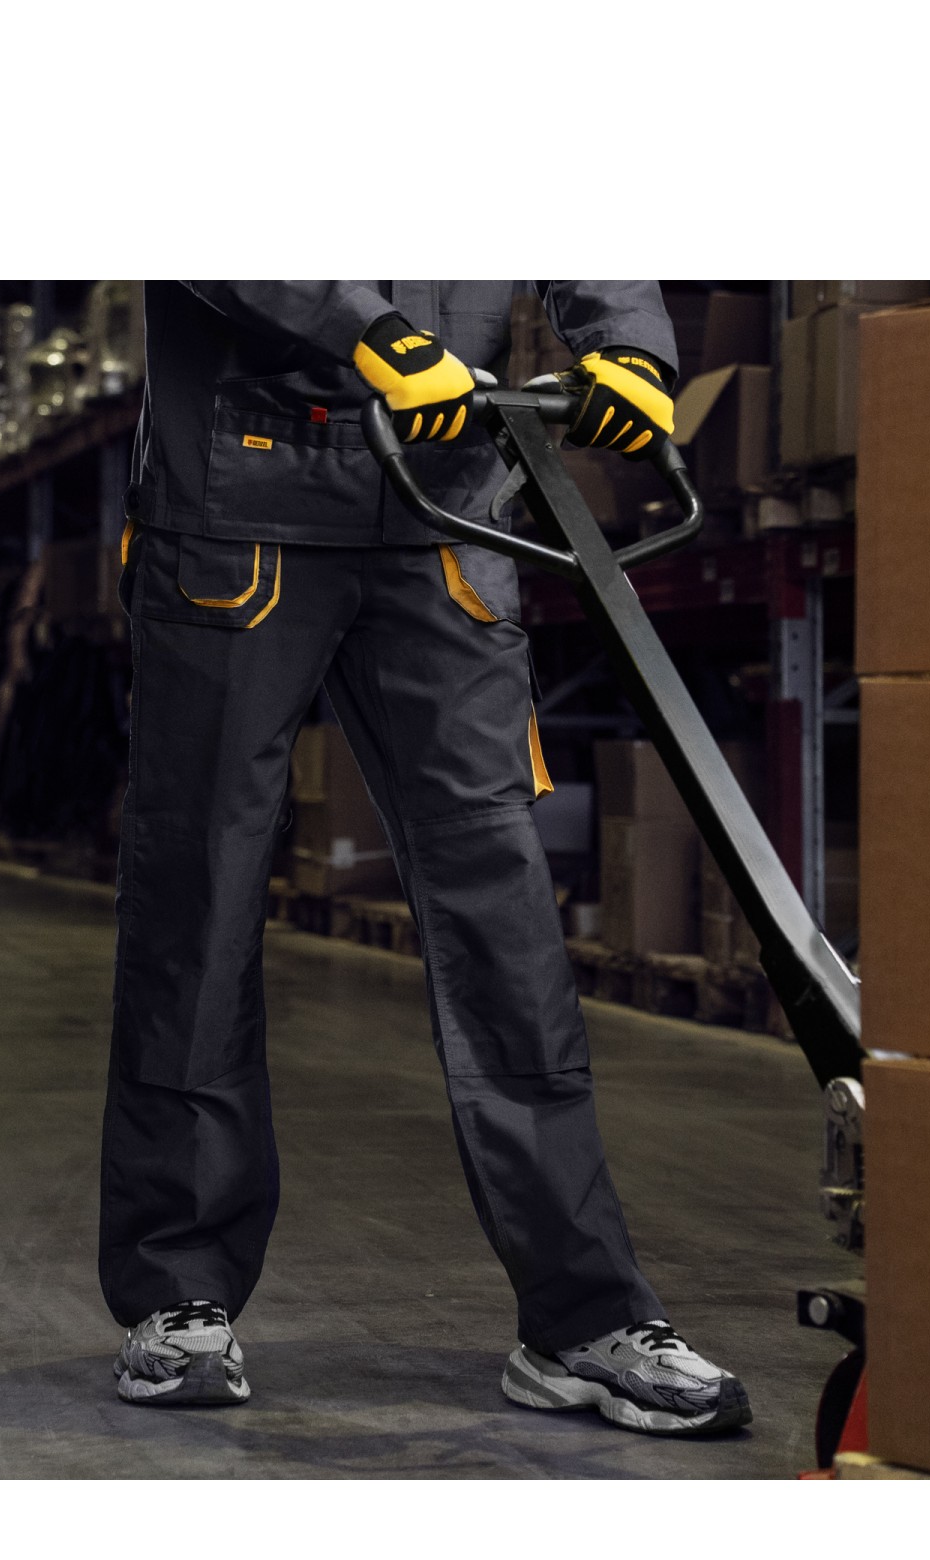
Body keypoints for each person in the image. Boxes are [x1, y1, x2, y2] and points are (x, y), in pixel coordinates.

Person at [100, 281, 751, 1436]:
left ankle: (583, 1316)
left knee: (505, 914)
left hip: (447, 514)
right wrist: (371, 332)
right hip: (240, 510)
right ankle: (177, 1293)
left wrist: (628, 344)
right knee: (199, 900)